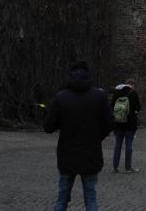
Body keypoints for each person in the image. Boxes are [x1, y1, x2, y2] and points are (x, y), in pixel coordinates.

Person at [44, 61, 113, 211]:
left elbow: (48, 127)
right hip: (91, 154)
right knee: (90, 198)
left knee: (62, 198)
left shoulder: (61, 97)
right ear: (88, 75)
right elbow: (109, 124)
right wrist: (97, 136)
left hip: (67, 154)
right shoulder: (99, 96)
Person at [111, 79, 141, 173]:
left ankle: (115, 166)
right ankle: (128, 167)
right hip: (130, 124)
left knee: (117, 145)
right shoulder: (133, 93)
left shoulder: (116, 92)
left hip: (118, 123)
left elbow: (112, 106)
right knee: (129, 146)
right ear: (132, 85)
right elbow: (138, 107)